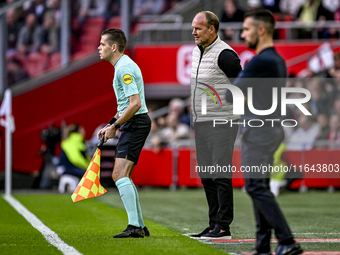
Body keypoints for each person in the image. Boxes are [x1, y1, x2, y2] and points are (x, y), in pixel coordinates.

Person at [226, 9, 303, 255]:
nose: (242, 33)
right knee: (259, 186)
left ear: (261, 30)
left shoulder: (260, 61)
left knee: (255, 187)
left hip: (259, 132)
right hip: (270, 130)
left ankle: (287, 241)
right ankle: (262, 248)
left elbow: (231, 95)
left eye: (247, 29)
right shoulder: (277, 60)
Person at [190, 11, 242, 239]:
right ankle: (213, 225)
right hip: (201, 123)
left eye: (198, 28)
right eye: (193, 28)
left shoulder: (226, 54)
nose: (194, 32)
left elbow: (243, 86)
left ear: (212, 29)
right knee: (207, 175)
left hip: (222, 123)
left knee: (220, 175)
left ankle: (224, 227)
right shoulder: (196, 51)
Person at [97, 29, 151, 238]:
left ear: (113, 47)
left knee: (119, 175)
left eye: (102, 44)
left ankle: (135, 227)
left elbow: (135, 104)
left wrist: (115, 126)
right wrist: (111, 123)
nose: (98, 48)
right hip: (134, 122)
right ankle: (139, 225)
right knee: (124, 175)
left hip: (135, 123)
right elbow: (125, 105)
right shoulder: (122, 65)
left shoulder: (124, 68)